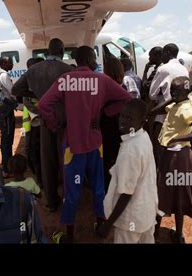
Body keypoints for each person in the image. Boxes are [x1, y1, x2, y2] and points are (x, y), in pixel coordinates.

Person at [39, 46, 131, 244]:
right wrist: (106, 112)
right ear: (90, 59)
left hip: (72, 145)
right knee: (99, 188)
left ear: (77, 60)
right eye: (95, 57)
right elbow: (127, 99)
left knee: (72, 192)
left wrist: (55, 124)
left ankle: (69, 235)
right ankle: (100, 224)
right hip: (95, 144)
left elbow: (43, 104)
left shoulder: (66, 80)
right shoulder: (102, 80)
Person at [12, 38, 73, 212]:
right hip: (64, 122)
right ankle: (69, 199)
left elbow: (15, 90)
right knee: (66, 160)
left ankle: (52, 201)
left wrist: (37, 95)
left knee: (47, 161)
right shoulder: (68, 71)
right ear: (62, 52)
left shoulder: (34, 70)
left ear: (48, 51)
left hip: (45, 120)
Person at [153, 76, 192, 244]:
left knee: (172, 192)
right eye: (171, 91)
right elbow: (163, 108)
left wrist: (178, 138)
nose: (172, 94)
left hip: (178, 156)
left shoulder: (186, 109)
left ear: (185, 92)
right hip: (171, 154)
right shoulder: (179, 102)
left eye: (176, 91)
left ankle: (174, 233)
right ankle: (163, 232)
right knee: (167, 191)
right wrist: (173, 96)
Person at [97, 99, 158, 243]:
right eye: (122, 116)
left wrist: (108, 224)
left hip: (130, 219)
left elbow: (126, 194)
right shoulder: (143, 136)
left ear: (142, 122)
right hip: (146, 212)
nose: (122, 121)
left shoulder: (130, 150)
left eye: (129, 118)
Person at [149, 43, 189, 168]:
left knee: (159, 148)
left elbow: (152, 94)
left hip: (164, 113)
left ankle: (161, 175)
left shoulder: (163, 69)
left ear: (166, 53)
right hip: (182, 113)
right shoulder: (184, 69)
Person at [101, 57, 126, 191]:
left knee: (108, 163)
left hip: (108, 128)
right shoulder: (123, 87)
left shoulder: (106, 89)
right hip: (122, 130)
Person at [22, 58, 44, 186]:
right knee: (33, 151)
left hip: (41, 122)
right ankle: (39, 178)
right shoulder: (27, 83)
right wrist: (41, 111)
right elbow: (27, 103)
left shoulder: (43, 81)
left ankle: (42, 177)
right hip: (33, 123)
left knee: (41, 151)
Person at [0, 56, 17, 178]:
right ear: (4, 63)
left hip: (5, 111)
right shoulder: (4, 76)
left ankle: (7, 165)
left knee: (7, 139)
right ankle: (6, 167)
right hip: (6, 112)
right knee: (7, 140)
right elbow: (13, 91)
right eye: (10, 62)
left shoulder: (2, 75)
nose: (12, 64)